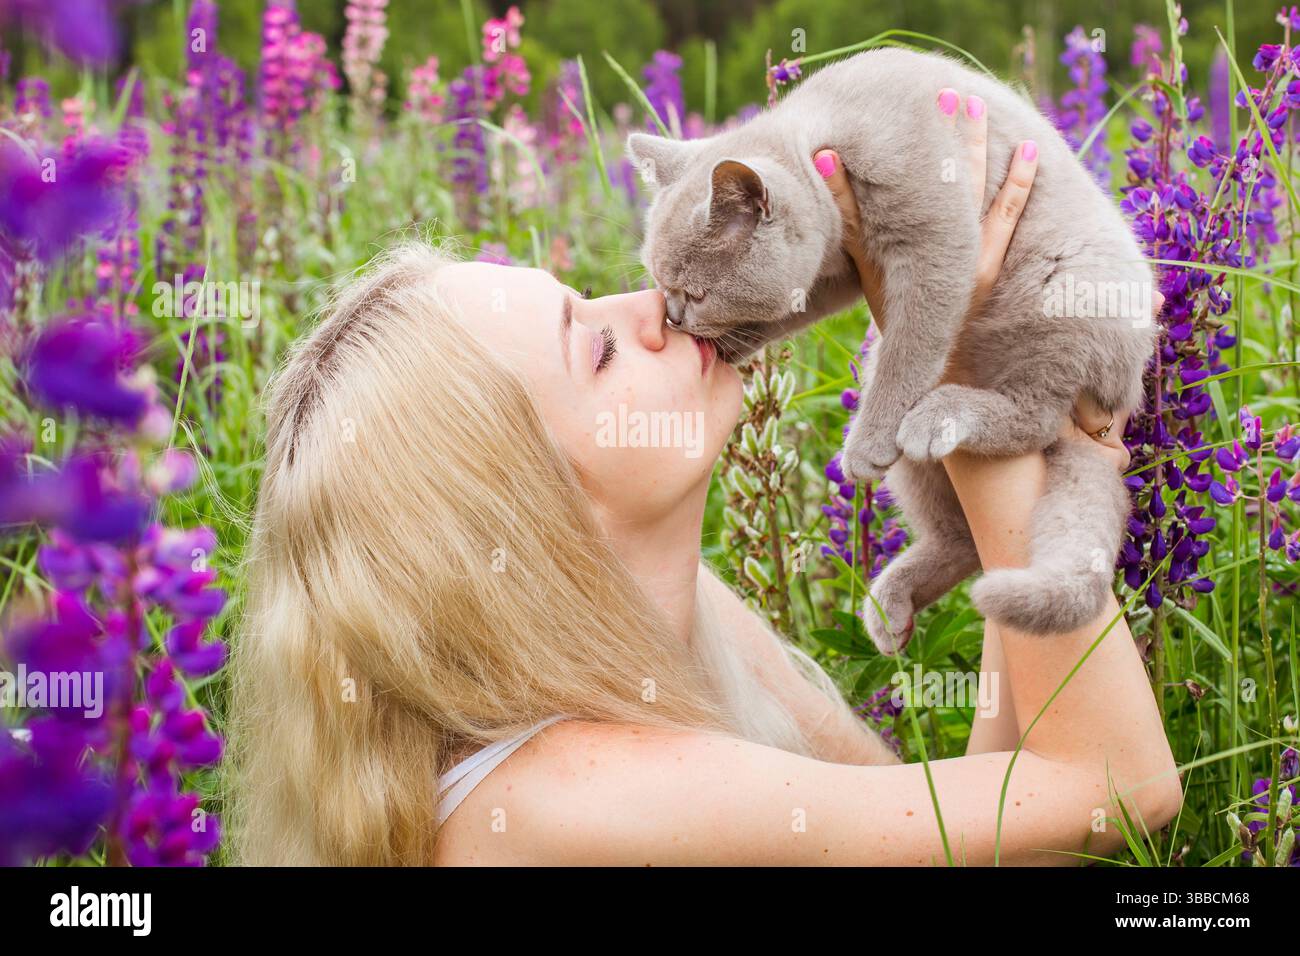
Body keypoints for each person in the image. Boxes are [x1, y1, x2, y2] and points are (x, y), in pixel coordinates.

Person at [227, 89, 1181, 866]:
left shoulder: (684, 622)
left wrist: (1008, 417)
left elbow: (1002, 836)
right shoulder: (575, 797)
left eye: (591, 295)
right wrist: (967, 381)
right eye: (594, 351)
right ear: (521, 506)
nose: (652, 307)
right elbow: (1119, 789)